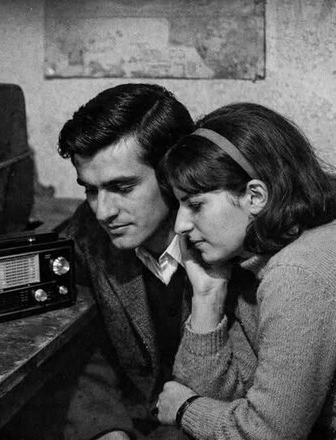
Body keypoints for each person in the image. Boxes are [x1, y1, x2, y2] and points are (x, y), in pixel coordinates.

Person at [54, 84, 254, 440]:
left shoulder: (232, 240)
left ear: (170, 173)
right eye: (90, 190)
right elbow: (83, 353)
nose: (103, 211)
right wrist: (105, 430)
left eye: (122, 188)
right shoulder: (86, 233)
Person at [155, 102, 336, 439]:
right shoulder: (255, 262)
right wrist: (207, 296)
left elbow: (268, 433)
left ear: (255, 196)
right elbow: (228, 398)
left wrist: (184, 410)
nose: (180, 225)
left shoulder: (300, 273)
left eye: (195, 204)